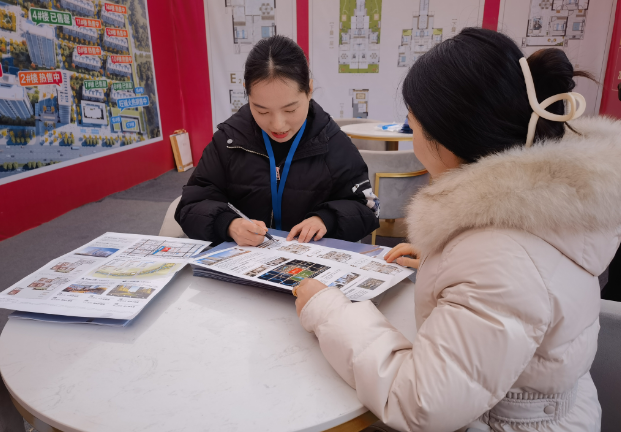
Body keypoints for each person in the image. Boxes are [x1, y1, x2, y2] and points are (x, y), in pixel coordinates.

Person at [293, 28, 621, 431]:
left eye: (412, 127)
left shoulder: (498, 257)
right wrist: (448, 260)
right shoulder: (550, 208)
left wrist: (327, 310)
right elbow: (532, 284)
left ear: (447, 139)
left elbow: (421, 405)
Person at [175, 35, 379, 246]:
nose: (278, 125)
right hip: (245, 259)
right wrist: (228, 224)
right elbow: (190, 206)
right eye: (262, 111)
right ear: (247, 92)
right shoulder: (228, 141)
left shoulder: (334, 143)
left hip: (308, 261)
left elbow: (367, 209)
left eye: (290, 110)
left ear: (309, 90)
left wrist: (326, 219)